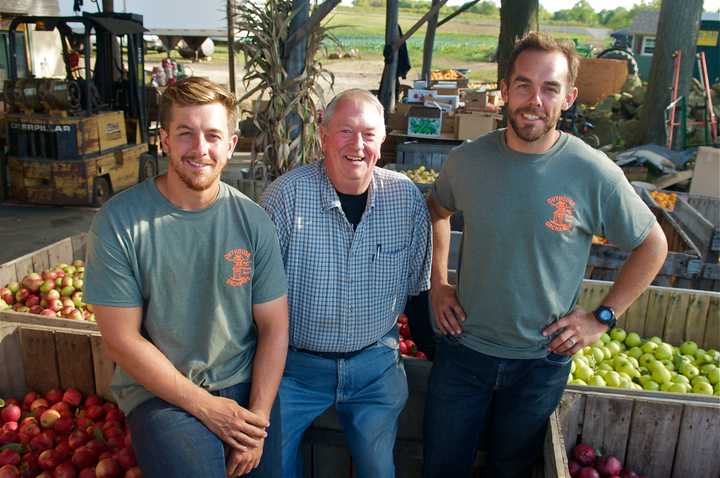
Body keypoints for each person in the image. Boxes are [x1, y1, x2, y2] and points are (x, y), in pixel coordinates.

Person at [423, 32, 668, 478]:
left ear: (569, 97)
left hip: (540, 365)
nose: (534, 100)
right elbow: (436, 210)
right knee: (441, 467)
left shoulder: (594, 173)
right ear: (504, 89)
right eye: (523, 85)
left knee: (512, 471)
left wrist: (603, 318)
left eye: (550, 88)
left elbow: (653, 245)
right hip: (463, 353)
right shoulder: (467, 162)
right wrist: (438, 283)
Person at [84, 77, 289, 478]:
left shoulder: (253, 221)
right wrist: (208, 408)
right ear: (164, 140)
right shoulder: (120, 222)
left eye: (213, 135)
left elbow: (274, 326)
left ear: (231, 146)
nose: (200, 149)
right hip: (162, 392)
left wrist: (258, 418)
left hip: (244, 383)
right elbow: (121, 341)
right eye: (185, 134)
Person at [261, 89, 431, 478]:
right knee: (270, 470)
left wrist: (440, 352)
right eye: (345, 131)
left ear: (383, 138)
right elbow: (254, 299)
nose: (357, 145)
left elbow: (418, 291)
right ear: (322, 133)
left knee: (378, 470)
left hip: (374, 367)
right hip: (293, 368)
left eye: (369, 134)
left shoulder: (405, 200)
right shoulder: (285, 199)